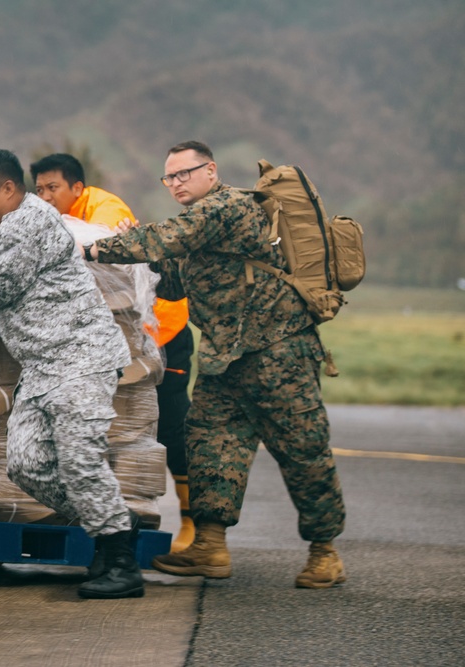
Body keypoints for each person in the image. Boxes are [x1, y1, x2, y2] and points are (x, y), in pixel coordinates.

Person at [86, 141, 346, 589]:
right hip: (226, 359)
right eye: (169, 177)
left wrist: (96, 248)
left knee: (304, 452)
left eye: (184, 173)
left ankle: (325, 552)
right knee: (210, 446)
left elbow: (167, 236)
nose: (176, 183)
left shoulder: (228, 207)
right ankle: (210, 544)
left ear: (211, 171)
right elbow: (171, 283)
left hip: (278, 353)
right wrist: (143, 256)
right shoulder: (198, 231)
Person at [0, 148, 143, 600]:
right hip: (43, 367)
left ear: (8, 189)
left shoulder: (27, 223)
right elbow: (26, 297)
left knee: (79, 460)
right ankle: (115, 525)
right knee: (26, 465)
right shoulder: (11, 226)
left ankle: (121, 561)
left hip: (79, 359)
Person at [31, 152, 197, 552]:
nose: (45, 197)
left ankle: (196, 523)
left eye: (53, 188)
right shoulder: (56, 215)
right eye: (38, 190)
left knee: (174, 425)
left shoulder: (104, 208)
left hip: (160, 331)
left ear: (77, 188)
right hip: (119, 336)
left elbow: (98, 252)